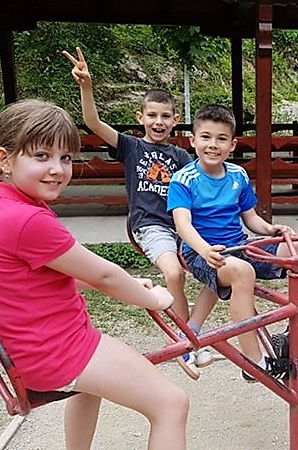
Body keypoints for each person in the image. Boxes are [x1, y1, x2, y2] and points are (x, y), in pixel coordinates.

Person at [0, 99, 189, 450]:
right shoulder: (26, 219)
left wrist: (131, 284)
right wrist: (153, 298)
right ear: (5, 160)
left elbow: (52, 270)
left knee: (89, 390)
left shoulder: (2, 203)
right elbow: (104, 276)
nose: (57, 169)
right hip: (54, 353)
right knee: (172, 404)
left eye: (65, 157)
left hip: (35, 347)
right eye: (42, 156)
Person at [64, 47, 215, 377]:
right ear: (140, 118)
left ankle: (190, 334)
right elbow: (93, 123)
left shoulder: (180, 156)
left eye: (165, 116)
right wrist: (86, 86)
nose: (158, 122)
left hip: (180, 224)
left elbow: (199, 189)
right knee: (174, 274)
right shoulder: (131, 146)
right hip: (149, 225)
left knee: (219, 270)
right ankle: (181, 342)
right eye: (152, 116)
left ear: (175, 120)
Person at [167, 104, 298, 382]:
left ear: (233, 144)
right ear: (192, 140)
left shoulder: (238, 175)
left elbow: (251, 218)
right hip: (200, 253)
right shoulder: (184, 179)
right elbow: (183, 224)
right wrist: (204, 250)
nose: (213, 145)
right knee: (241, 271)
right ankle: (254, 362)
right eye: (206, 137)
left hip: (238, 247)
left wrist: (271, 229)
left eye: (221, 139)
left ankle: (294, 329)